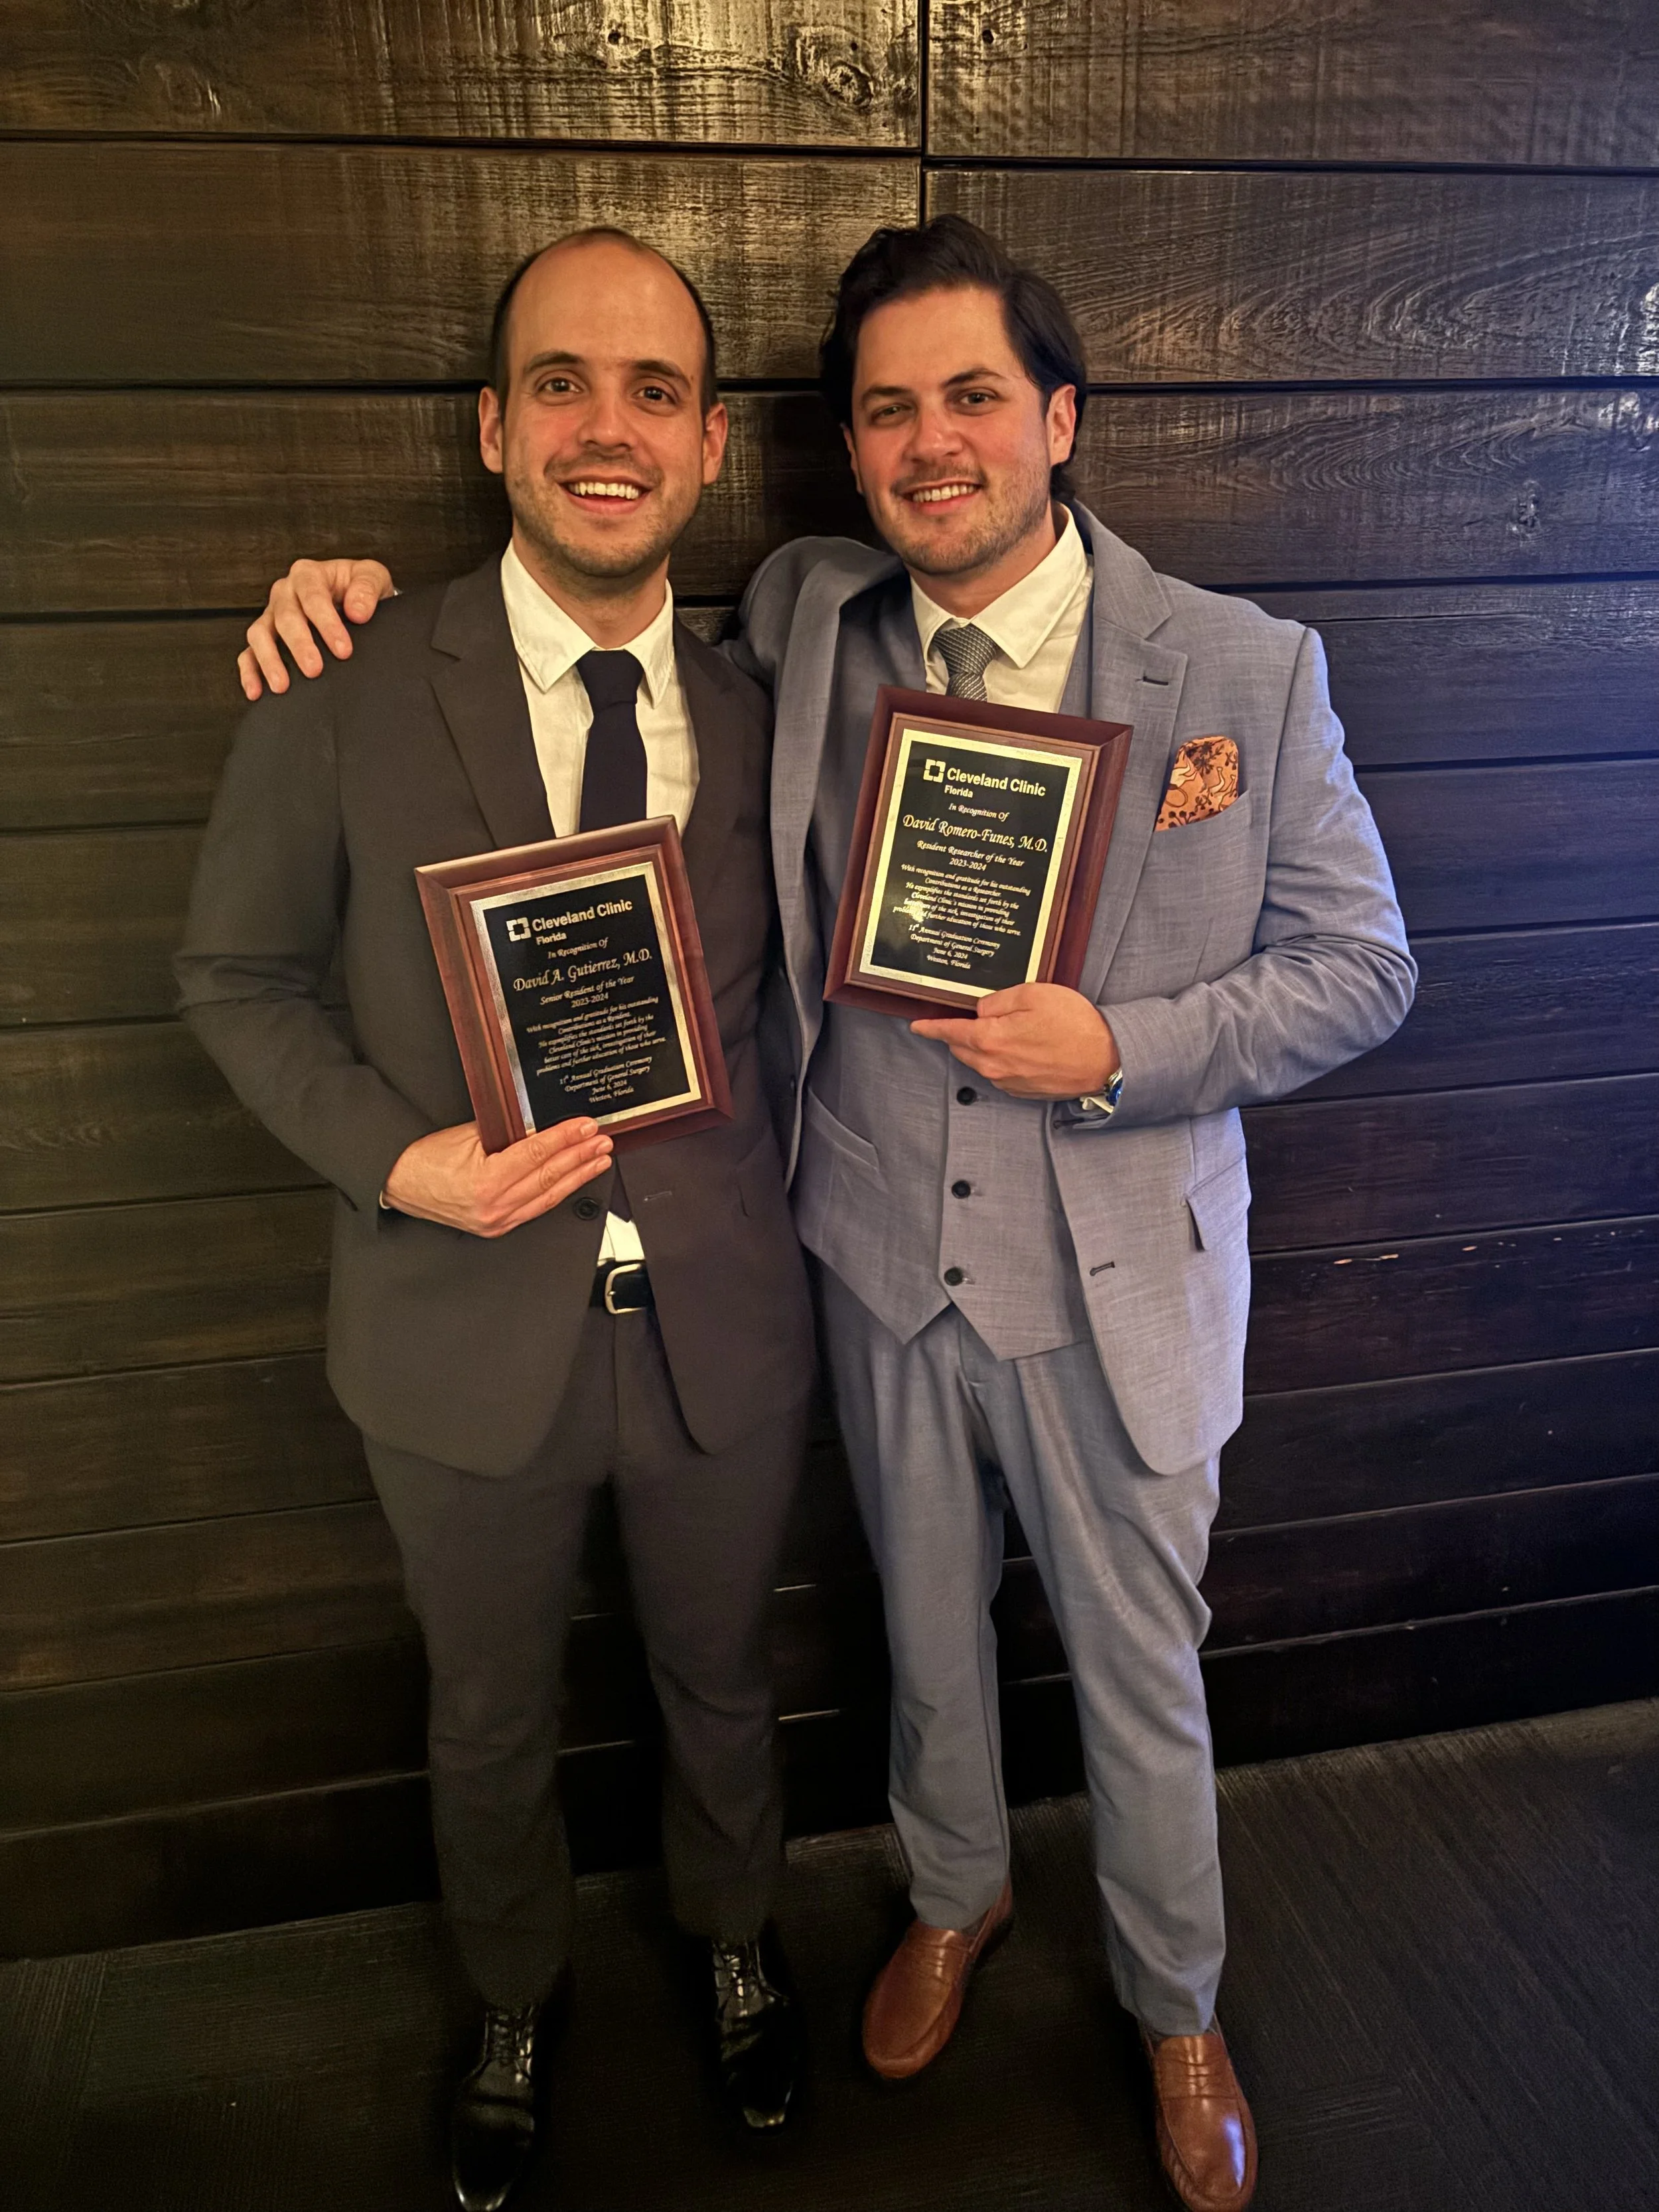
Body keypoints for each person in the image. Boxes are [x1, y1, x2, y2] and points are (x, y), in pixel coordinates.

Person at [237, 214, 1415, 2212]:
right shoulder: (808, 624)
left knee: (1141, 1667)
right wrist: (326, 582)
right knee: (923, 1643)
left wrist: (1117, 1041)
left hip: (1114, 1281)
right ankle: (946, 1902)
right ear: (837, 455)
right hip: (871, 1265)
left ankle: (1176, 2001)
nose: (930, 443)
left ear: (1058, 418)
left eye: (971, 397)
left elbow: (1362, 968)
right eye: (885, 410)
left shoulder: (1243, 667)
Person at [179, 228, 816, 2212]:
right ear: (492, 424)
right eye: (561, 381)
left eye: (649, 392)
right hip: (453, 1323)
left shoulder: (780, 703)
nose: (603, 427)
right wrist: (402, 1160)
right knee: (483, 1708)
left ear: (709, 445)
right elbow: (234, 980)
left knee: (723, 1673)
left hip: (718, 1319)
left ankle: (732, 1939)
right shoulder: (343, 679)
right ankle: (512, 1996)